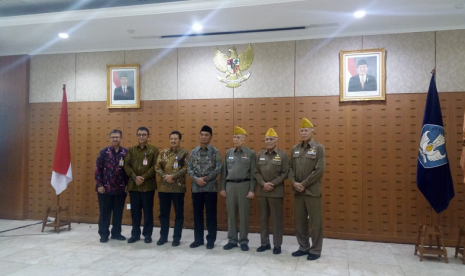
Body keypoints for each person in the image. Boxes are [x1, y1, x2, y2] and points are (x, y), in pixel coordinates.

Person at [289, 118, 326, 261]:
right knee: (300, 222)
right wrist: (294, 183)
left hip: (312, 191)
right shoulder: (295, 149)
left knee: (315, 222)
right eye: (301, 130)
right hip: (298, 191)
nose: (303, 133)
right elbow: (290, 168)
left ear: (312, 131)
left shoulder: (319, 148)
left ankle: (316, 250)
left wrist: (303, 184)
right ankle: (303, 247)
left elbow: (319, 170)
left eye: (306, 130)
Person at [220, 126, 256, 251]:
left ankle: (244, 240)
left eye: (238, 137)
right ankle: (232, 240)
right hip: (230, 186)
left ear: (244, 139)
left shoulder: (250, 153)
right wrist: (223, 188)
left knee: (243, 214)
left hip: (244, 185)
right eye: (234, 137)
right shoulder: (229, 153)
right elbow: (224, 172)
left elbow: (253, 174)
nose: (235, 139)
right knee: (231, 214)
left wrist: (252, 190)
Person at [254, 128, 289, 255]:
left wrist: (272, 184)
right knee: (263, 218)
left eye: (271, 139)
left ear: (276, 140)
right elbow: (256, 171)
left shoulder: (283, 155)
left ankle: (277, 244)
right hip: (262, 191)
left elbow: (286, 173)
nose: (269, 141)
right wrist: (264, 184)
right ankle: (264, 243)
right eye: (267, 139)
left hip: (276, 192)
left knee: (276, 219)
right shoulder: (260, 154)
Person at [187, 125, 222, 249]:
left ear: (211, 137)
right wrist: (197, 179)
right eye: (201, 134)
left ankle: (211, 239)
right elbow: (189, 168)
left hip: (210, 188)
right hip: (196, 188)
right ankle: (198, 239)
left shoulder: (215, 151)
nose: (203, 137)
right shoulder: (193, 152)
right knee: (197, 215)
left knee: (211, 215)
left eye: (206, 135)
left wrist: (205, 179)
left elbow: (218, 168)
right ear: (199, 136)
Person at [124, 127, 159, 243]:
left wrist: (143, 177)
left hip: (148, 186)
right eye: (139, 134)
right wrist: (135, 177)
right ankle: (135, 234)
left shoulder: (154, 150)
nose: (141, 137)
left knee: (148, 212)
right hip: (134, 186)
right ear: (136, 136)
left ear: (148, 136)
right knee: (135, 212)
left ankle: (147, 235)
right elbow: (126, 166)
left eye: (144, 135)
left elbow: (155, 166)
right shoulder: (131, 150)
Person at [154, 131, 189, 247]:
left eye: (176, 139)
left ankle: (176, 238)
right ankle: (163, 236)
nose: (173, 141)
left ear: (180, 140)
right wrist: (165, 176)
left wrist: (173, 176)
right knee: (164, 214)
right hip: (164, 188)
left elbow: (185, 168)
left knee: (178, 214)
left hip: (178, 188)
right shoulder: (163, 152)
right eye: (171, 139)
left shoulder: (184, 153)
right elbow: (157, 167)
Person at [94, 129, 129, 243]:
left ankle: (116, 233)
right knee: (105, 213)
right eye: (113, 137)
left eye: (117, 137)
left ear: (121, 138)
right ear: (110, 138)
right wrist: (99, 185)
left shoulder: (126, 153)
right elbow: (98, 169)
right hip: (105, 189)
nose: (115, 139)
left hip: (120, 188)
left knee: (118, 212)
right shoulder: (104, 152)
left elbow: (128, 170)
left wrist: (128, 185)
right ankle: (103, 234)